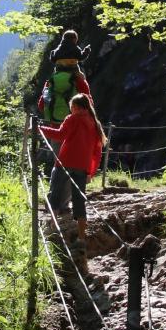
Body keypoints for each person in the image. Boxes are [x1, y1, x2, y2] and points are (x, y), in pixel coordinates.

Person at [38, 93, 106, 245]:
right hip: (82, 167)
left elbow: (60, 135)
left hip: (65, 162)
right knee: (79, 201)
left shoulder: (72, 118)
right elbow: (97, 152)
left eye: (71, 107)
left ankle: (53, 227)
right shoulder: (95, 124)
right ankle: (81, 237)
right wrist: (90, 172)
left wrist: (39, 129)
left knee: (55, 194)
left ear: (75, 107)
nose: (71, 110)